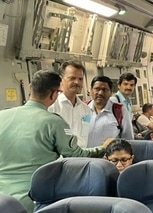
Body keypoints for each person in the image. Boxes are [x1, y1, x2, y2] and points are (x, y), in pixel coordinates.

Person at [0, 70, 110, 212]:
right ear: (54, 94)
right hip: (34, 199)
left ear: (30, 87)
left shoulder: (2, 116)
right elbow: (75, 155)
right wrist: (103, 147)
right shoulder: (54, 122)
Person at [48, 61, 91, 147]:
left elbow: (84, 138)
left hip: (81, 158)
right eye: (72, 78)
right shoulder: (51, 107)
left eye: (80, 79)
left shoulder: (86, 110)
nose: (77, 82)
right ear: (61, 80)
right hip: (59, 159)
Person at [87, 76, 134, 147]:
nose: (100, 93)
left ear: (111, 92)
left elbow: (128, 140)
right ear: (91, 90)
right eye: (97, 89)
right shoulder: (83, 109)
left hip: (108, 157)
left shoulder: (119, 111)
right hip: (84, 157)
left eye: (105, 90)